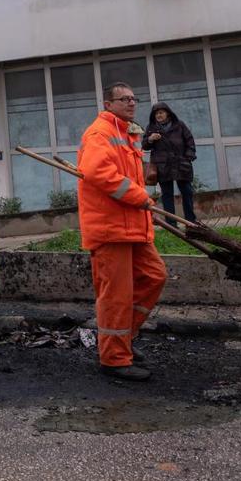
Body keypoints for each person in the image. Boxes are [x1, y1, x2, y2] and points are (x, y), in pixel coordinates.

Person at [76, 82, 165, 382]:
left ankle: (124, 338)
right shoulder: (99, 133)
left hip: (132, 226)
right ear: (108, 103)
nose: (131, 103)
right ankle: (114, 358)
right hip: (110, 229)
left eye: (133, 98)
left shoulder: (128, 135)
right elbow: (99, 173)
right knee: (116, 295)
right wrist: (140, 196)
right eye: (123, 99)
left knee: (155, 276)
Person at [144, 102, 197, 224]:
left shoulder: (179, 125)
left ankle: (191, 221)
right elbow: (144, 145)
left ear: (167, 113)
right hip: (163, 166)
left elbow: (190, 141)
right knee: (167, 195)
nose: (159, 115)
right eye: (156, 113)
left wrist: (188, 157)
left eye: (161, 112)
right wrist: (150, 139)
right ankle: (172, 223)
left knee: (187, 192)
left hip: (181, 164)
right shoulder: (151, 127)